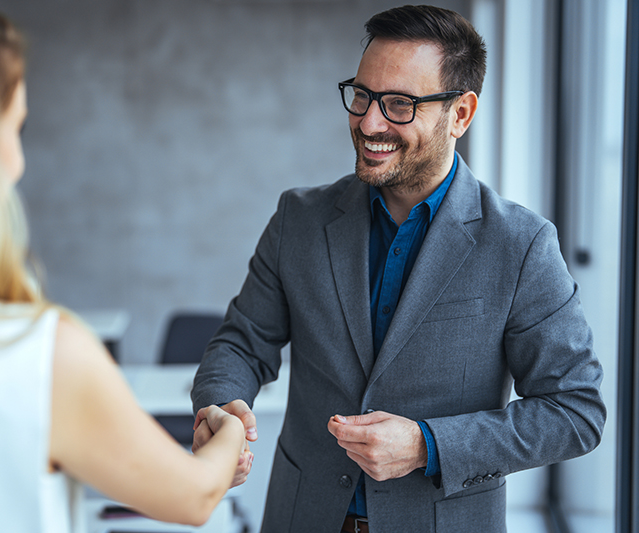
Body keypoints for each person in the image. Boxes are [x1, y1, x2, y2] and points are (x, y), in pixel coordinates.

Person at [190, 4, 606, 532]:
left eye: (399, 104)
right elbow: (242, 343)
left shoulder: (521, 245)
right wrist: (220, 407)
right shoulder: (299, 218)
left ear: (460, 114)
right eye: (362, 95)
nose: (368, 122)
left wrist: (427, 445)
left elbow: (575, 411)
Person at [0, 2, 246, 532]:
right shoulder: (39, 354)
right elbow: (194, 496)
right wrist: (229, 428)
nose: (18, 161)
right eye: (16, 129)